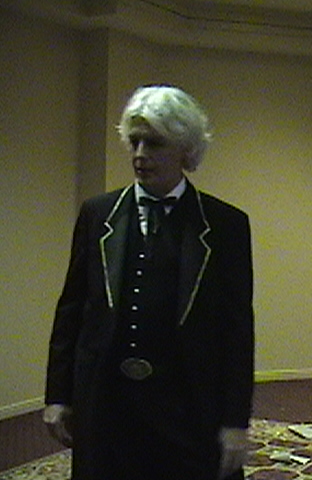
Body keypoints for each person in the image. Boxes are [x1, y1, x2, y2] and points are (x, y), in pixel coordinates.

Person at [43, 85, 254, 480]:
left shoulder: (225, 225)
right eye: (135, 141)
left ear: (186, 149)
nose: (140, 154)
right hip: (107, 403)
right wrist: (58, 395)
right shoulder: (98, 213)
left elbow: (237, 331)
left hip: (188, 407)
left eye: (154, 143)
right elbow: (71, 308)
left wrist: (235, 421)